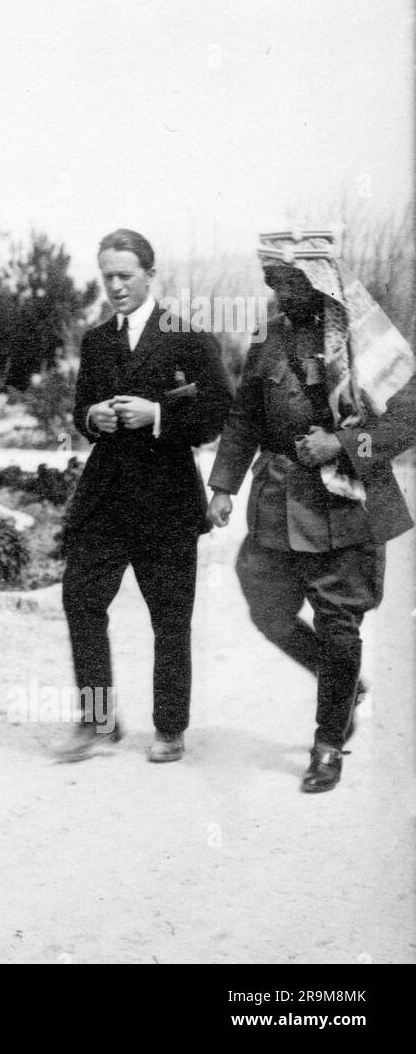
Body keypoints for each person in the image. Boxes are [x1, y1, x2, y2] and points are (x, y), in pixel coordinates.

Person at [207, 229, 415, 793]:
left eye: (293, 279)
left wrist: (345, 446)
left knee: (338, 623)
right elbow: (245, 415)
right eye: (273, 279)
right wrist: (223, 484)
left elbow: (407, 418)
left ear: (322, 276)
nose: (282, 289)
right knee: (267, 610)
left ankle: (327, 742)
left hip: (346, 504)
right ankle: (344, 684)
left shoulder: (365, 334)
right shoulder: (267, 335)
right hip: (277, 502)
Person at [56, 229, 232, 763]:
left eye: (125, 276)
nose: (114, 286)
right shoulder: (97, 339)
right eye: (106, 276)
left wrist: (159, 415)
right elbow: (81, 407)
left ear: (151, 276)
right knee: (81, 600)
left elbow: (217, 413)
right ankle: (98, 719)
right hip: (106, 493)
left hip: (167, 499)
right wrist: (93, 417)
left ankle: (170, 728)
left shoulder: (188, 335)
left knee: (170, 617)